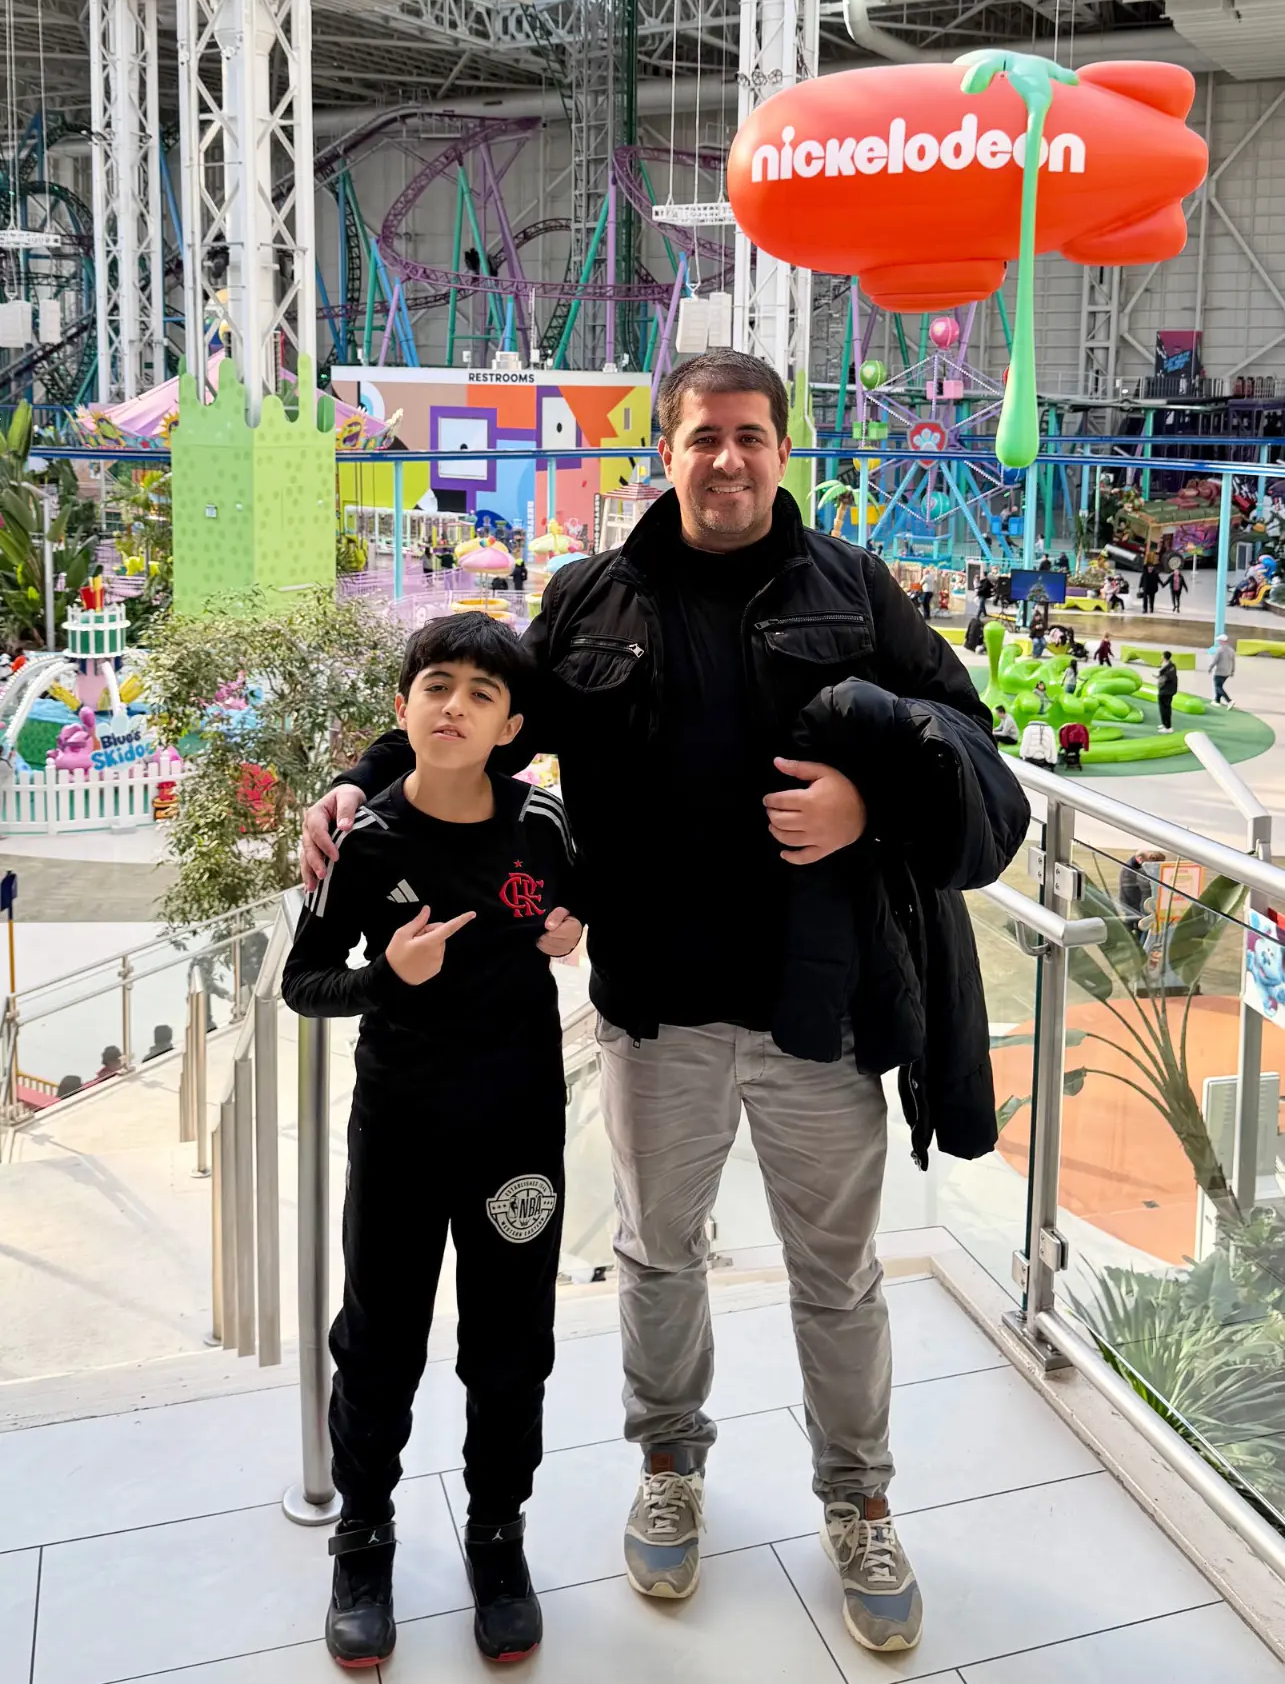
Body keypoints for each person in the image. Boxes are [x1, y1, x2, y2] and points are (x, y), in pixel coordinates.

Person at [302, 348, 1029, 1661]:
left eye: (750, 435)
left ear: (782, 450)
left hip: (816, 1010)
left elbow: (965, 735)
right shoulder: (592, 597)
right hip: (653, 1004)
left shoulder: (853, 587)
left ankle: (858, 1499)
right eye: (704, 436)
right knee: (656, 1253)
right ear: (667, 452)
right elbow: (478, 704)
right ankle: (669, 1464)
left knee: (836, 1273)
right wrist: (363, 778)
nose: (727, 459)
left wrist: (866, 800)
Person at [282, 614, 584, 1668]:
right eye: (436, 685)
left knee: (511, 1342)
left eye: (480, 693)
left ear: (511, 727)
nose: (454, 705)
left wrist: (573, 926)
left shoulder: (543, 825)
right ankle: (363, 1536)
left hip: (517, 1131)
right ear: (403, 707)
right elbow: (303, 981)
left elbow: (577, 903)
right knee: (380, 1339)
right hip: (402, 1126)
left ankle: (497, 1533)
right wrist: (384, 977)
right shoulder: (364, 842)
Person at [1210, 632, 1237, 707]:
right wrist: (1232, 671)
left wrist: (1210, 667)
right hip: (1227, 672)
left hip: (1220, 671)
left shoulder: (1220, 650)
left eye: (1219, 641)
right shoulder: (1231, 650)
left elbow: (1215, 660)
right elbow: (1233, 661)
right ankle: (1217, 701)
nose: (1218, 642)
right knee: (1220, 685)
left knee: (1218, 687)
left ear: (1222, 641)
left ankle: (1229, 701)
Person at [1156, 650, 1179, 730]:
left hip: (1167, 691)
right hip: (1165, 689)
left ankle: (1168, 727)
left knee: (1165, 708)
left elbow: (1167, 677)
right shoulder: (1169, 665)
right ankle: (1164, 724)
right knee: (1162, 707)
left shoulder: (1169, 667)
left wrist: (1161, 679)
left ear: (1164, 657)